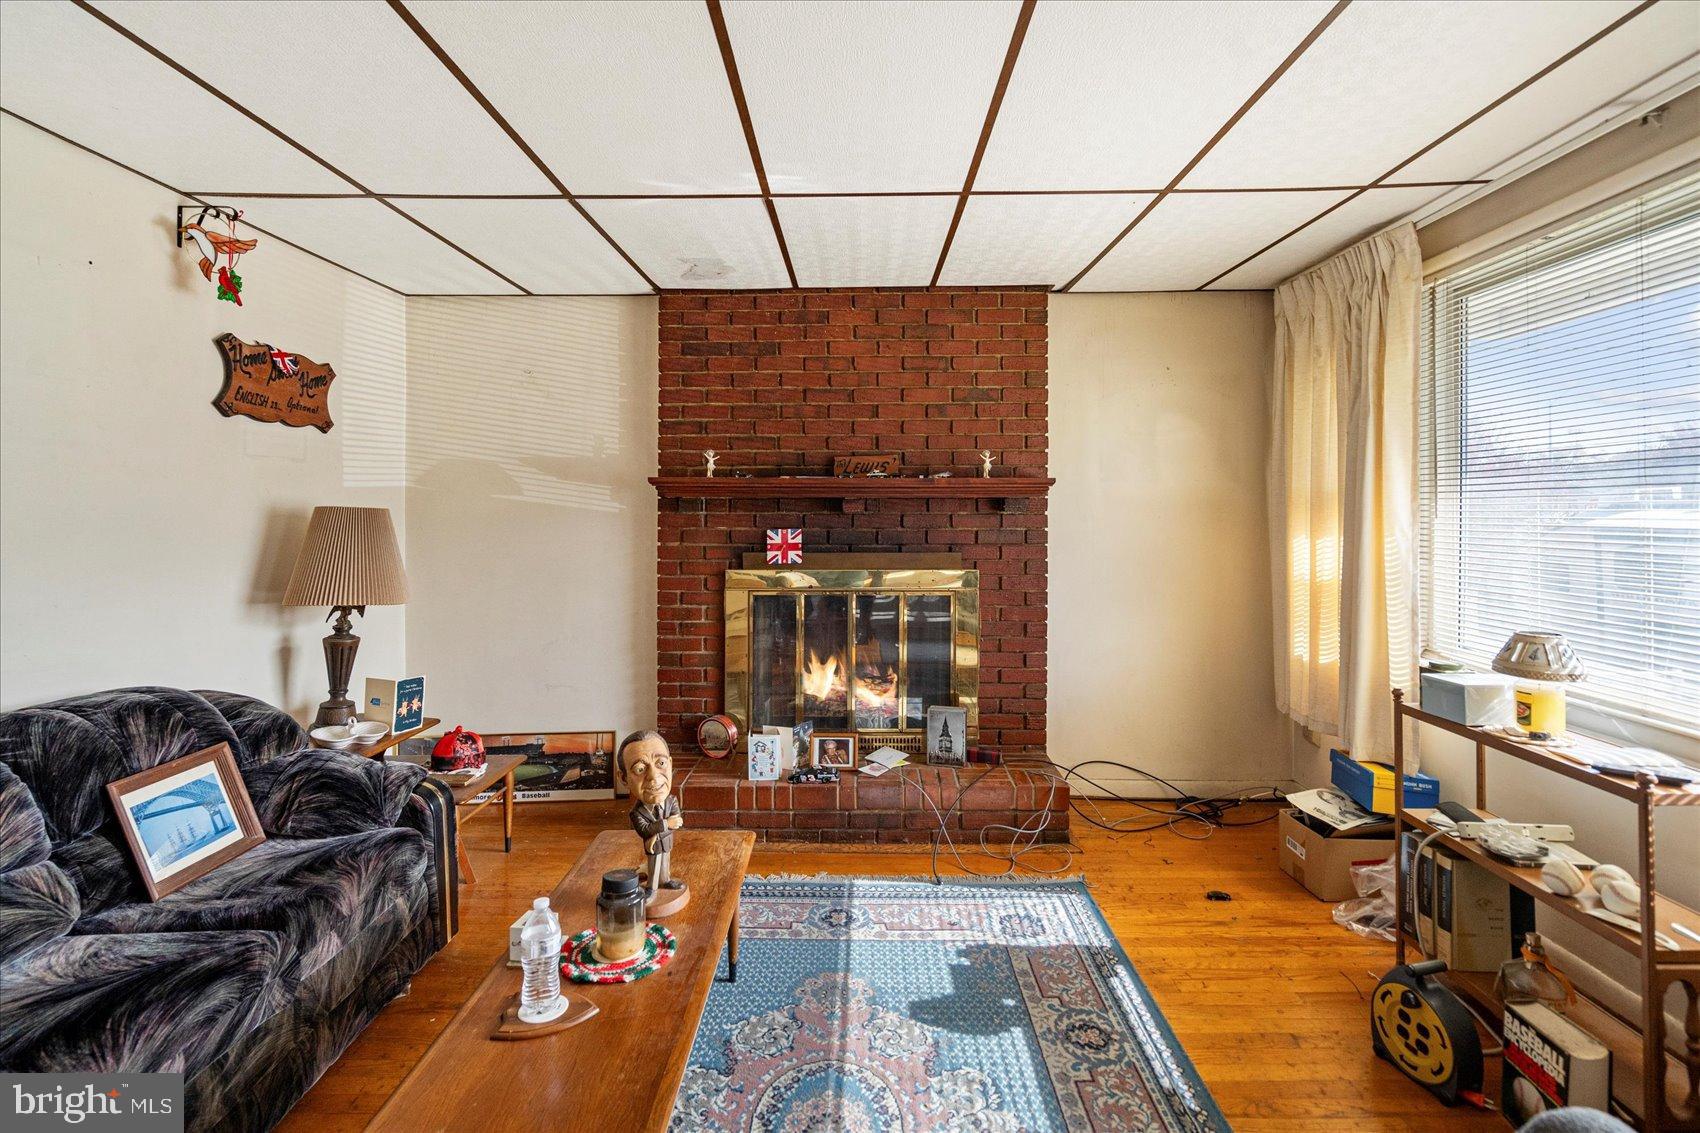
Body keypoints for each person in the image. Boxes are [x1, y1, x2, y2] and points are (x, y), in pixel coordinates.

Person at [618, 730, 683, 893]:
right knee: (654, 866)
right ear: (624, 779)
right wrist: (667, 824)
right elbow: (646, 830)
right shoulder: (636, 813)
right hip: (652, 849)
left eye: (660, 763)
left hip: (666, 844)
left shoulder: (671, 801)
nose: (653, 776)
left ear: (670, 764)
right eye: (640, 769)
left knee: (665, 864)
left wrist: (659, 832)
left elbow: (677, 822)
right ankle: (651, 888)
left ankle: (665, 880)